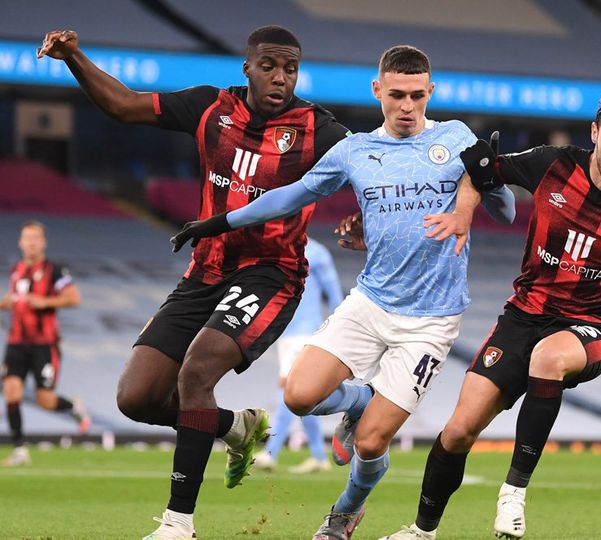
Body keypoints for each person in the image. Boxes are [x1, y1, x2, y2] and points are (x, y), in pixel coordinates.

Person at [171, 45, 516, 540]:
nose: (406, 106)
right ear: (377, 90)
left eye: (417, 96)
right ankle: (357, 402)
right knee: (297, 396)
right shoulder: (356, 151)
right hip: (370, 302)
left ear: (430, 93)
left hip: (431, 320)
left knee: (373, 443)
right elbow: (292, 195)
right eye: (396, 94)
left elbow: (503, 211)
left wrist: (489, 177)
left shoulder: (455, 138)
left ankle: (343, 513)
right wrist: (217, 222)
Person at [37, 26, 351, 539]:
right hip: (206, 269)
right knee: (136, 398)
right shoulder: (210, 108)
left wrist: (363, 216)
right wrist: (74, 57)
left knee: (197, 371)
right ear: (247, 68)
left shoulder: (317, 128)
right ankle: (234, 426)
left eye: (290, 69)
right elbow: (122, 105)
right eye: (269, 66)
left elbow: (370, 162)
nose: (280, 78)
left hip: (272, 272)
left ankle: (178, 523)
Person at [381, 90, 601, 540]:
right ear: (594, 134)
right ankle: (422, 532)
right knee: (457, 432)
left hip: (595, 325)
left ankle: (513, 495)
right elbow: (479, 169)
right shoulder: (552, 164)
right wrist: (464, 211)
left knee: (548, 358)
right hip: (524, 315)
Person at [1, 221, 89, 467]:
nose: (31, 242)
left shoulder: (55, 270)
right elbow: (14, 298)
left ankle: (72, 406)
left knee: (45, 400)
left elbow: (73, 298)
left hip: (44, 345)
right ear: (20, 242)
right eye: (26, 237)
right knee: (11, 390)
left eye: (35, 238)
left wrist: (45, 301)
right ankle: (20, 450)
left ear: (43, 243)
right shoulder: (16, 269)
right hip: (16, 343)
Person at [253, 238, 344, 473]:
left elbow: (335, 296)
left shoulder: (316, 252)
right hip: (284, 332)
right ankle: (318, 456)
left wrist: (340, 331)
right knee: (300, 394)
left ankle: (271, 452)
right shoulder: (277, 248)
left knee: (288, 390)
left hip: (304, 332)